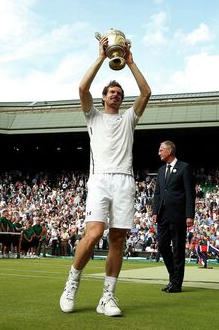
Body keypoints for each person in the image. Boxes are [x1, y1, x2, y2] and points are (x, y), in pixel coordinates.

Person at [60, 34, 151, 317]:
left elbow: (146, 92)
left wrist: (131, 63)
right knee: (94, 233)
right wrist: (101, 57)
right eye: (112, 92)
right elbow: (81, 86)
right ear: (103, 97)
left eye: (120, 93)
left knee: (118, 239)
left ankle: (107, 297)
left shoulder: (128, 118)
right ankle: (71, 284)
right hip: (100, 179)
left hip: (124, 179)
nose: (116, 94)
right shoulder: (93, 116)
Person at [152, 141, 196, 292]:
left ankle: (176, 284)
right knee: (162, 246)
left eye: (161, 150)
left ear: (169, 151)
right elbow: (158, 193)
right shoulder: (161, 170)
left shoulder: (184, 168)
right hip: (162, 215)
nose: (159, 153)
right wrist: (154, 211)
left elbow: (190, 193)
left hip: (178, 215)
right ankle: (173, 277)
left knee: (178, 249)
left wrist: (189, 215)